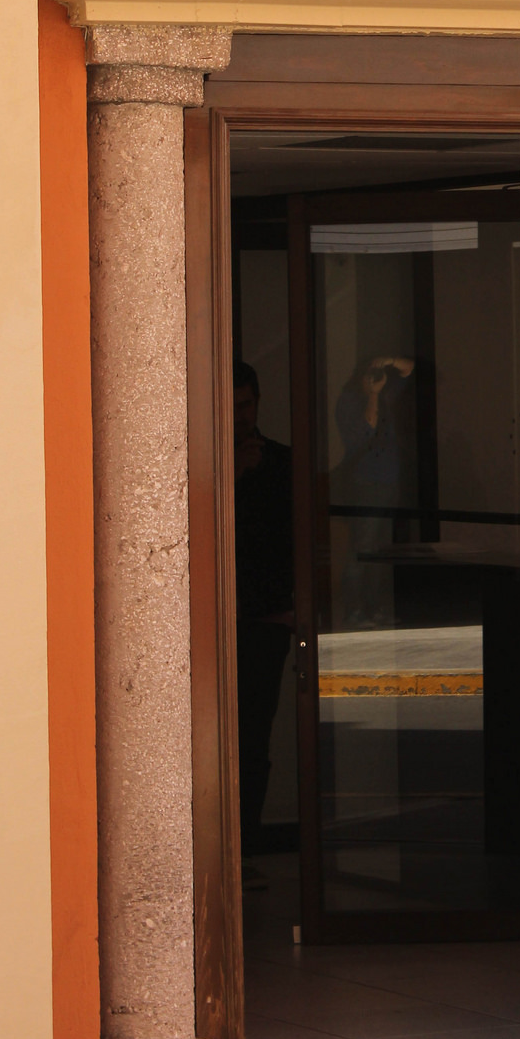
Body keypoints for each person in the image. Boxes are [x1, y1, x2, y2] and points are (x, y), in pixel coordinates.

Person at [233, 359, 293, 867]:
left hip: (267, 617)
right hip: (216, 617)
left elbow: (287, 539)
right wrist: (232, 476)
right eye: (232, 408)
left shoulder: (281, 464)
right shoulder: (199, 465)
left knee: (254, 737)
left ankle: (246, 848)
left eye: (247, 406)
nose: (241, 418)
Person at [333, 354, 414, 629]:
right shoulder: (349, 401)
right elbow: (366, 429)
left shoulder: (386, 393)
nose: (375, 378)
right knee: (361, 548)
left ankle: (375, 608)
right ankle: (353, 611)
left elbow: (409, 369)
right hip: (365, 483)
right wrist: (373, 394)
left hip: (389, 483)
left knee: (381, 551)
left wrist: (387, 361)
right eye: (369, 373)